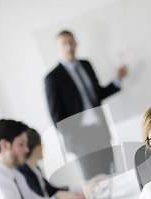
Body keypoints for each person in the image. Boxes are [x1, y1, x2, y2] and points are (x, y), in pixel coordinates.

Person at [45, 30, 128, 181]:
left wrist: (117, 80)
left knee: (112, 176)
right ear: (58, 48)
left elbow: (97, 94)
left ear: (76, 44)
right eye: (64, 44)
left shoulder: (86, 65)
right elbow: (56, 115)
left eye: (71, 42)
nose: (69, 47)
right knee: (95, 182)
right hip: (80, 138)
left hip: (100, 130)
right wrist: (74, 139)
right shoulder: (53, 77)